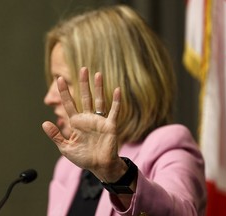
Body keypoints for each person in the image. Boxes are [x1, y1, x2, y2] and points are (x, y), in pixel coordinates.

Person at [42, 4, 207, 216]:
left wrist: (117, 175)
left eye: (62, 81)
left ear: (109, 80)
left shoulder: (168, 146)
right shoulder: (67, 168)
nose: (49, 98)